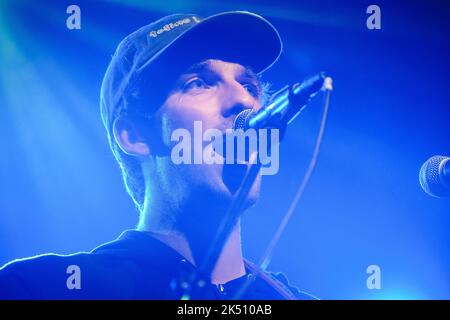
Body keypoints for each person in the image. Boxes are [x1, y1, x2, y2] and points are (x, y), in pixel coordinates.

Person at [0, 11, 316, 300]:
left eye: (249, 85)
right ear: (135, 136)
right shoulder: (38, 288)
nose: (244, 101)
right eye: (200, 83)